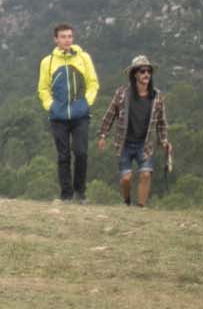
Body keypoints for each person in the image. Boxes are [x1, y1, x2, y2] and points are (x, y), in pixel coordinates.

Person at [95, 55, 172, 207]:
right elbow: (109, 115)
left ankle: (140, 207)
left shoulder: (157, 97)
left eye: (148, 71)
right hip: (125, 143)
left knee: (145, 174)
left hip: (145, 144)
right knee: (126, 178)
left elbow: (161, 123)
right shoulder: (122, 93)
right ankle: (127, 202)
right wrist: (103, 135)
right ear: (134, 74)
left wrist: (164, 141)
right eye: (142, 71)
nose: (146, 74)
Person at [36, 22, 99, 202]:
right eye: (63, 37)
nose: (67, 40)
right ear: (56, 39)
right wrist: (51, 106)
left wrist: (87, 102)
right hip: (58, 116)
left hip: (81, 115)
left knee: (81, 153)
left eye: (70, 36)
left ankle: (80, 193)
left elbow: (93, 83)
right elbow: (43, 88)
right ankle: (66, 195)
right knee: (63, 156)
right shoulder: (47, 62)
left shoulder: (83, 57)